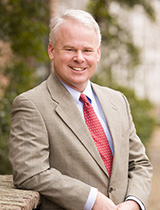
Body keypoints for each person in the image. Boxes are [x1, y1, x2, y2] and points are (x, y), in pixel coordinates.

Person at [9, 9, 152, 210]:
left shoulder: (117, 100)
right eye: (69, 49)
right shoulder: (31, 104)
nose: (79, 58)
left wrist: (134, 202)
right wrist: (92, 199)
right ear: (51, 50)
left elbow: (139, 164)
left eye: (87, 50)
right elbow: (31, 172)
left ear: (98, 53)